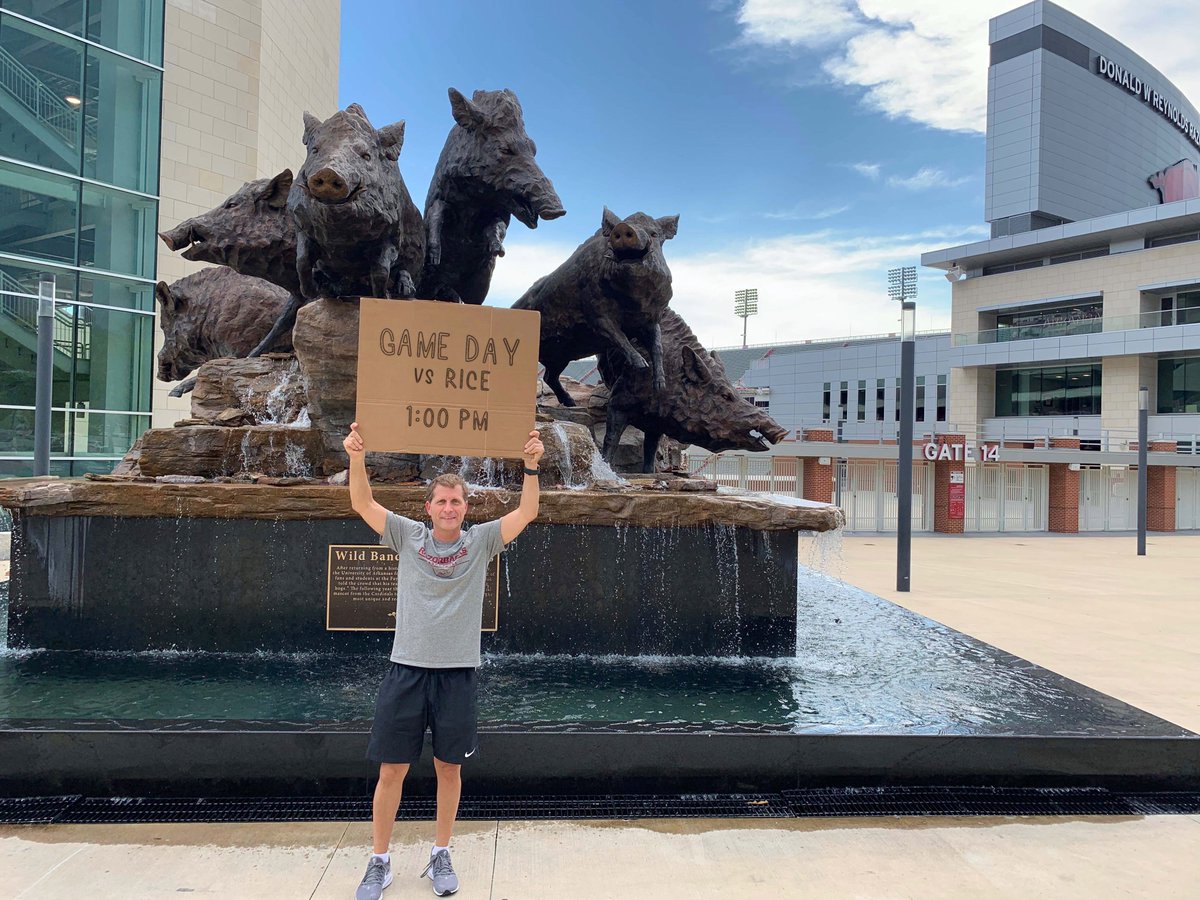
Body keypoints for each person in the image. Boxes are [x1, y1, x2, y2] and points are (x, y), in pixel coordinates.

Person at [345, 421, 544, 899]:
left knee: (449, 768)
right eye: (442, 501)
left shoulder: (481, 542)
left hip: (457, 675)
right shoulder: (407, 535)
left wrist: (531, 467)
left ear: (465, 508)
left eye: (456, 502)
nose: (449, 508)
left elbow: (528, 512)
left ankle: (440, 852)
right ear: (429, 507)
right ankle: (379, 861)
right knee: (391, 770)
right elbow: (362, 504)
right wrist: (356, 456)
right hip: (406, 670)